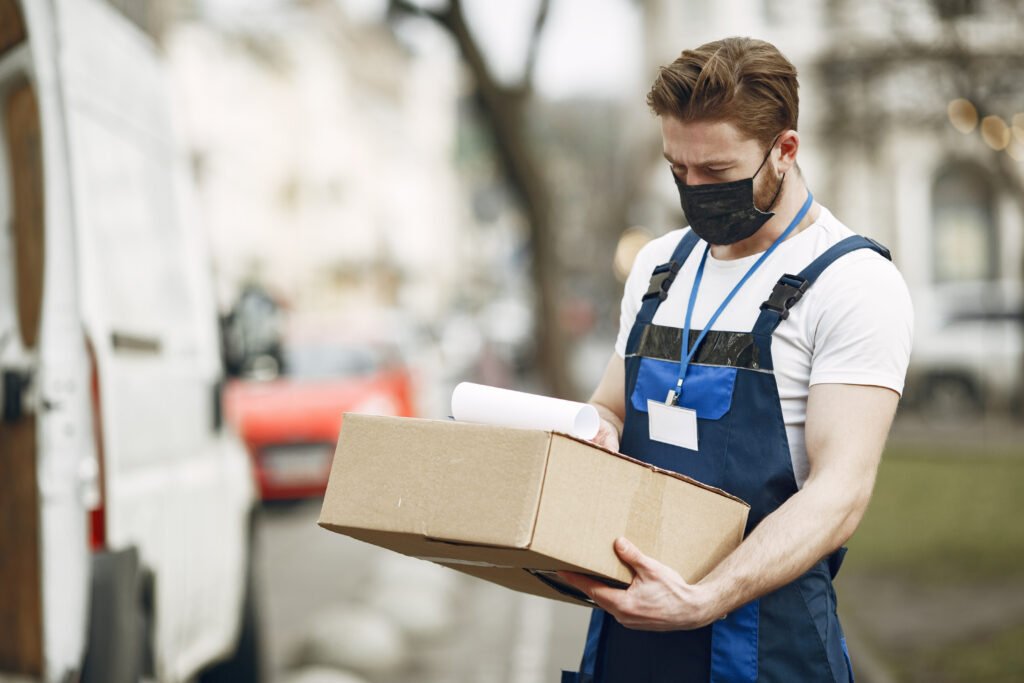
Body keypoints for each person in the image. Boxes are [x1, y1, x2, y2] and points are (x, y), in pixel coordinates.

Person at [558, 36, 913, 683]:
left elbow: (841, 491)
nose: (694, 190)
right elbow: (608, 405)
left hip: (765, 646)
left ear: (785, 150)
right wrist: (597, 432)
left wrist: (704, 599)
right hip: (630, 628)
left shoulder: (853, 281)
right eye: (678, 169)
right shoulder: (658, 266)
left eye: (716, 172)